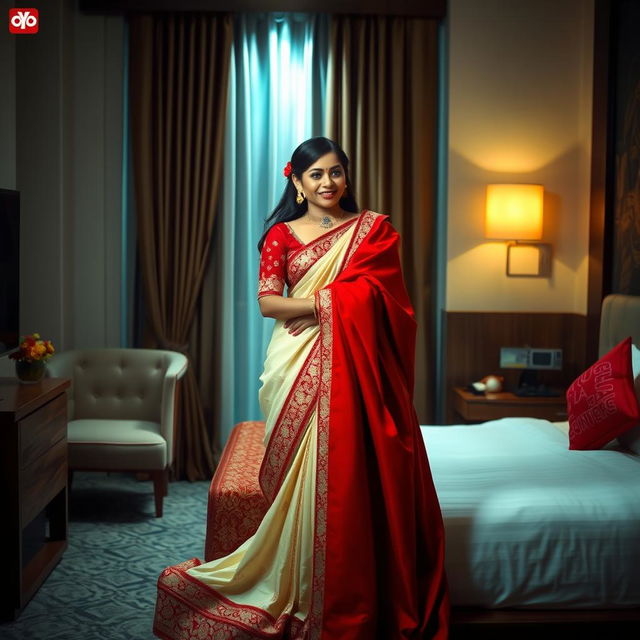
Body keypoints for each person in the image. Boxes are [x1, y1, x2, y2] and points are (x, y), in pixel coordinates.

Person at [153, 137, 449, 639]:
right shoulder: (282, 236)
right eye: (316, 175)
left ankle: (340, 579)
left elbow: (392, 303)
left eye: (336, 172)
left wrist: (320, 305)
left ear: (347, 177)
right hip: (296, 361)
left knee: (344, 466)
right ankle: (300, 573)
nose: (328, 183)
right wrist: (330, 305)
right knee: (301, 472)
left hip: (356, 364)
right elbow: (269, 304)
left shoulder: (372, 231)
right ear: (297, 181)